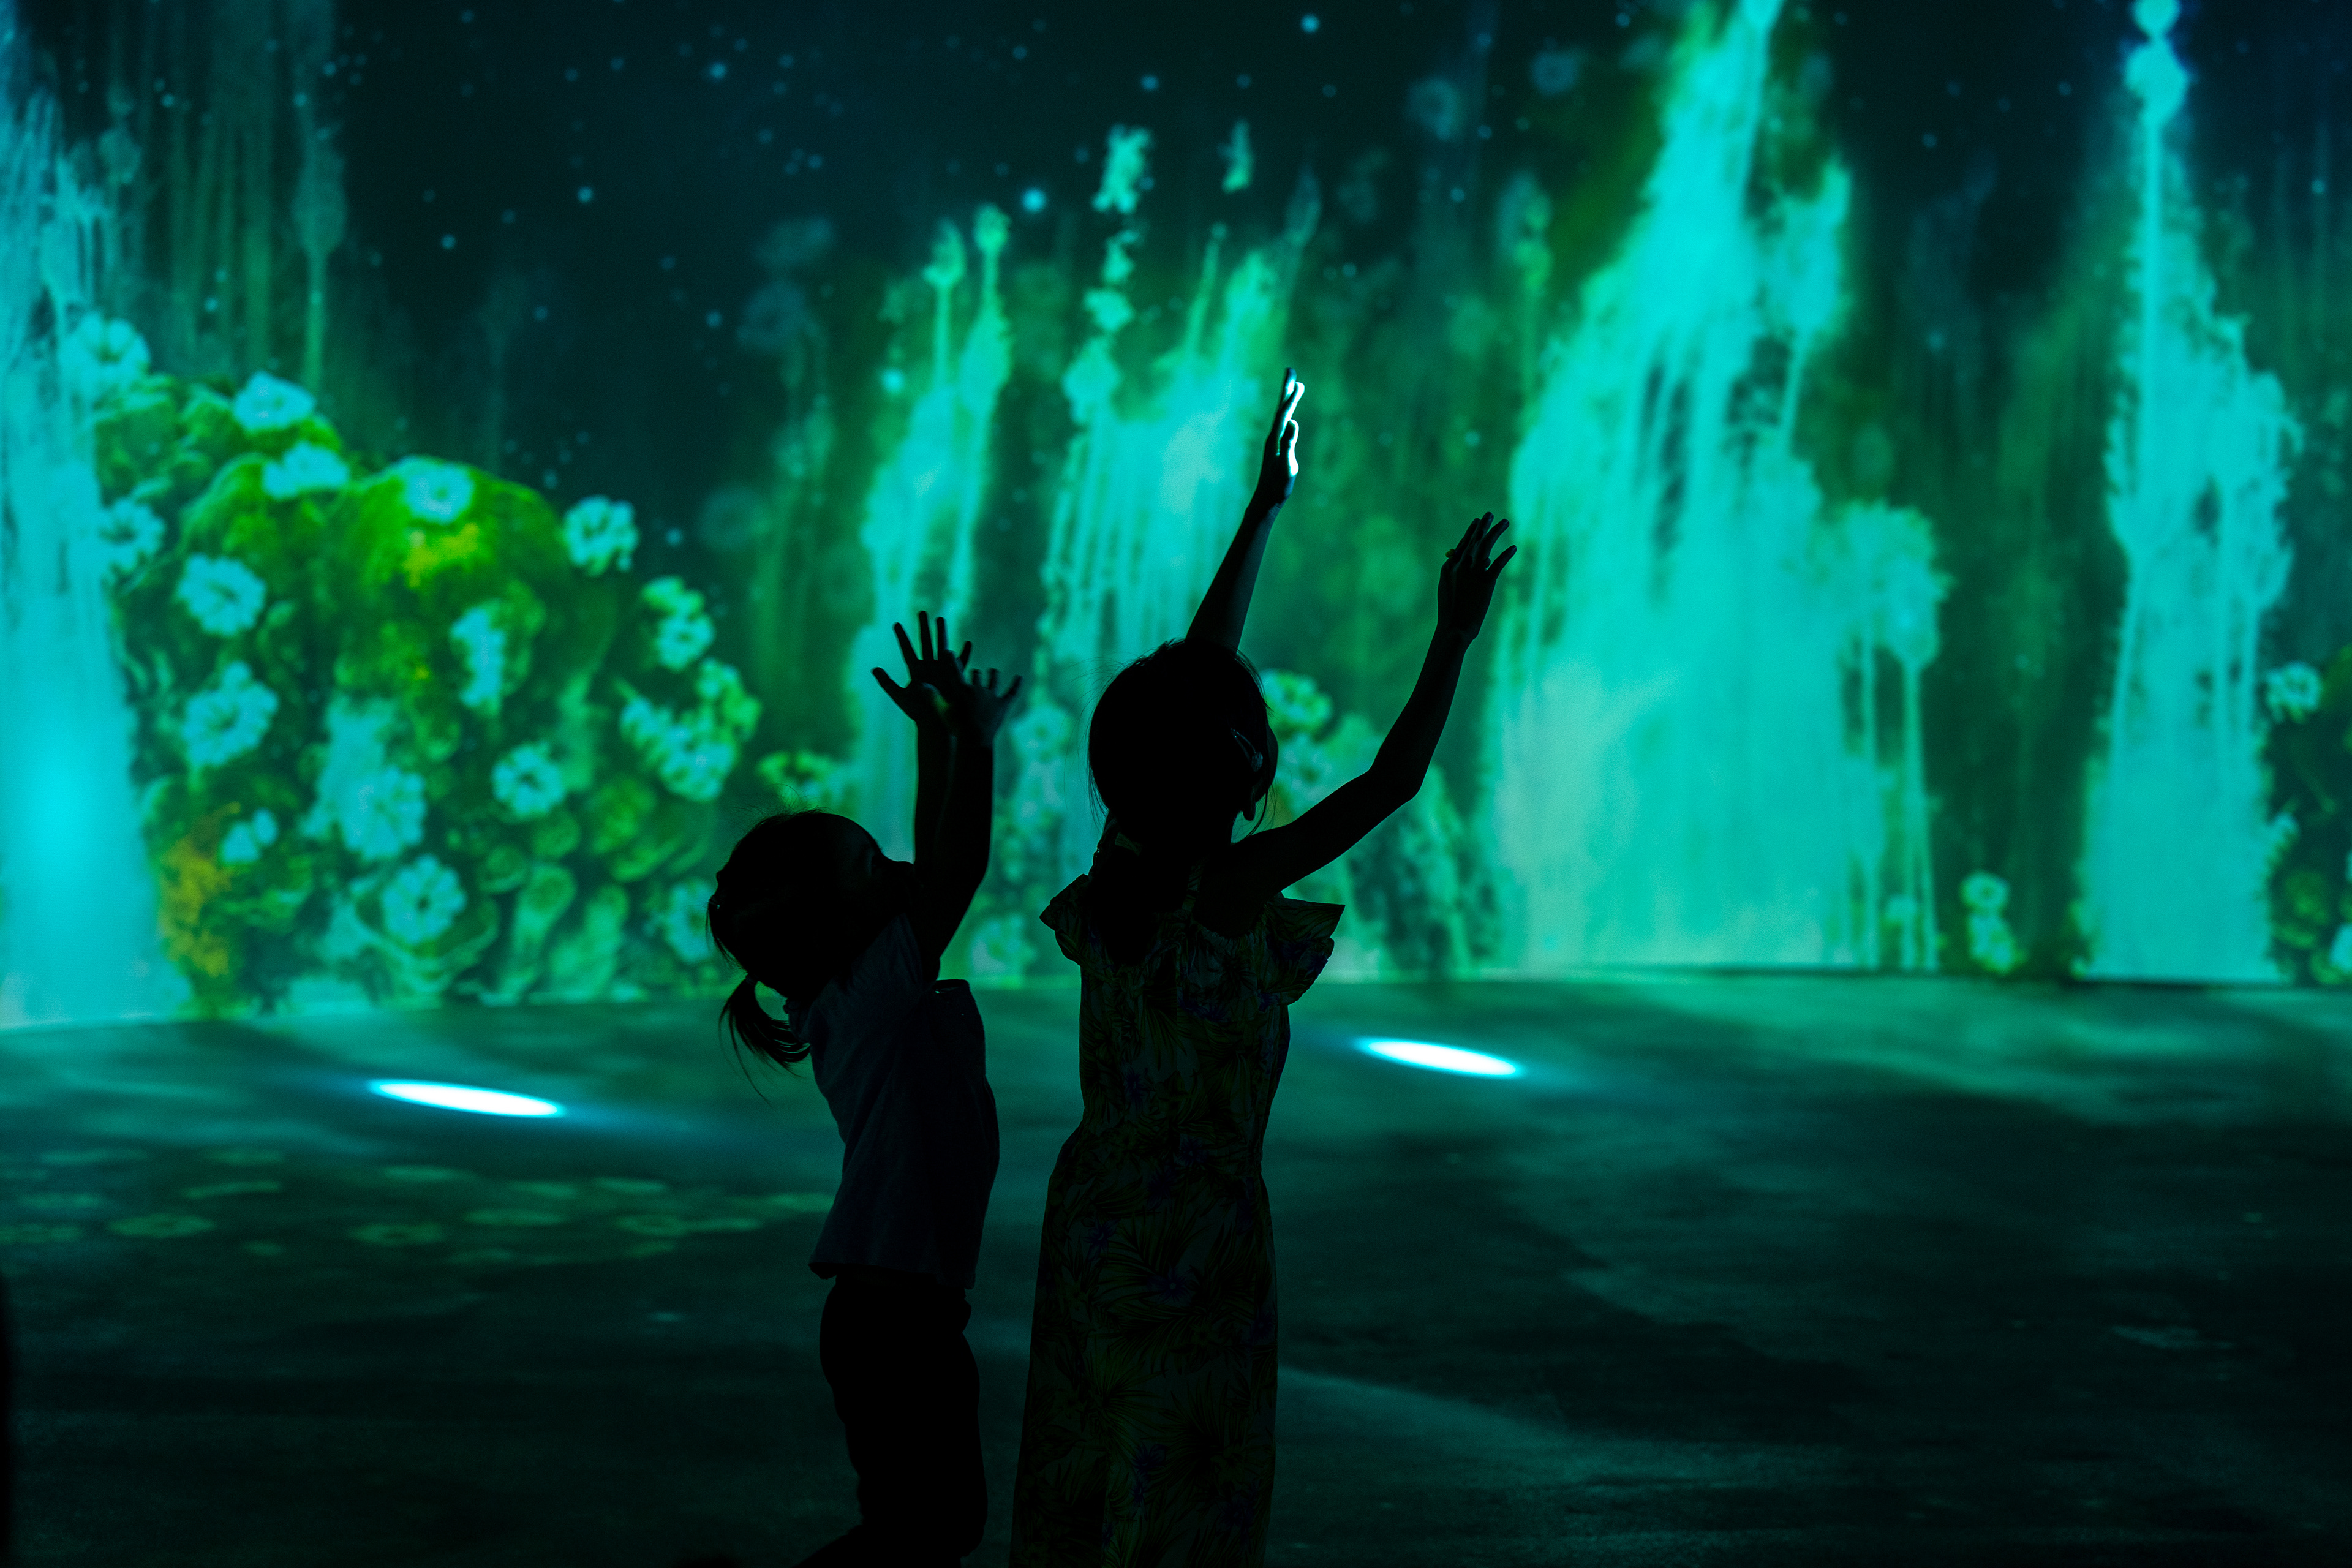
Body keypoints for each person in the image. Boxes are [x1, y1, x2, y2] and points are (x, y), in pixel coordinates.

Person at [1008, 369, 1517, 1566]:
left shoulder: (1124, 862)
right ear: (1236, 769)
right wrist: (1449, 636)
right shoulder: (1232, 893)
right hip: (1197, 1238)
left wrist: (1265, 509)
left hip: (1093, 1222)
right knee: (1180, 1494)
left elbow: (1188, 677)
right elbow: (1389, 781)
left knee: (1089, 1469)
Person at [706, 612, 1022, 1567]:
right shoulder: (870, 998)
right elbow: (957, 866)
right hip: (896, 1319)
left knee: (923, 1529)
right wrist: (973, 742)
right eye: (869, 865)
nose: (897, 863)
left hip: (897, 1311)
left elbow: (933, 863)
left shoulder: (851, 989)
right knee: (926, 1533)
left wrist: (935, 738)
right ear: (833, 927)